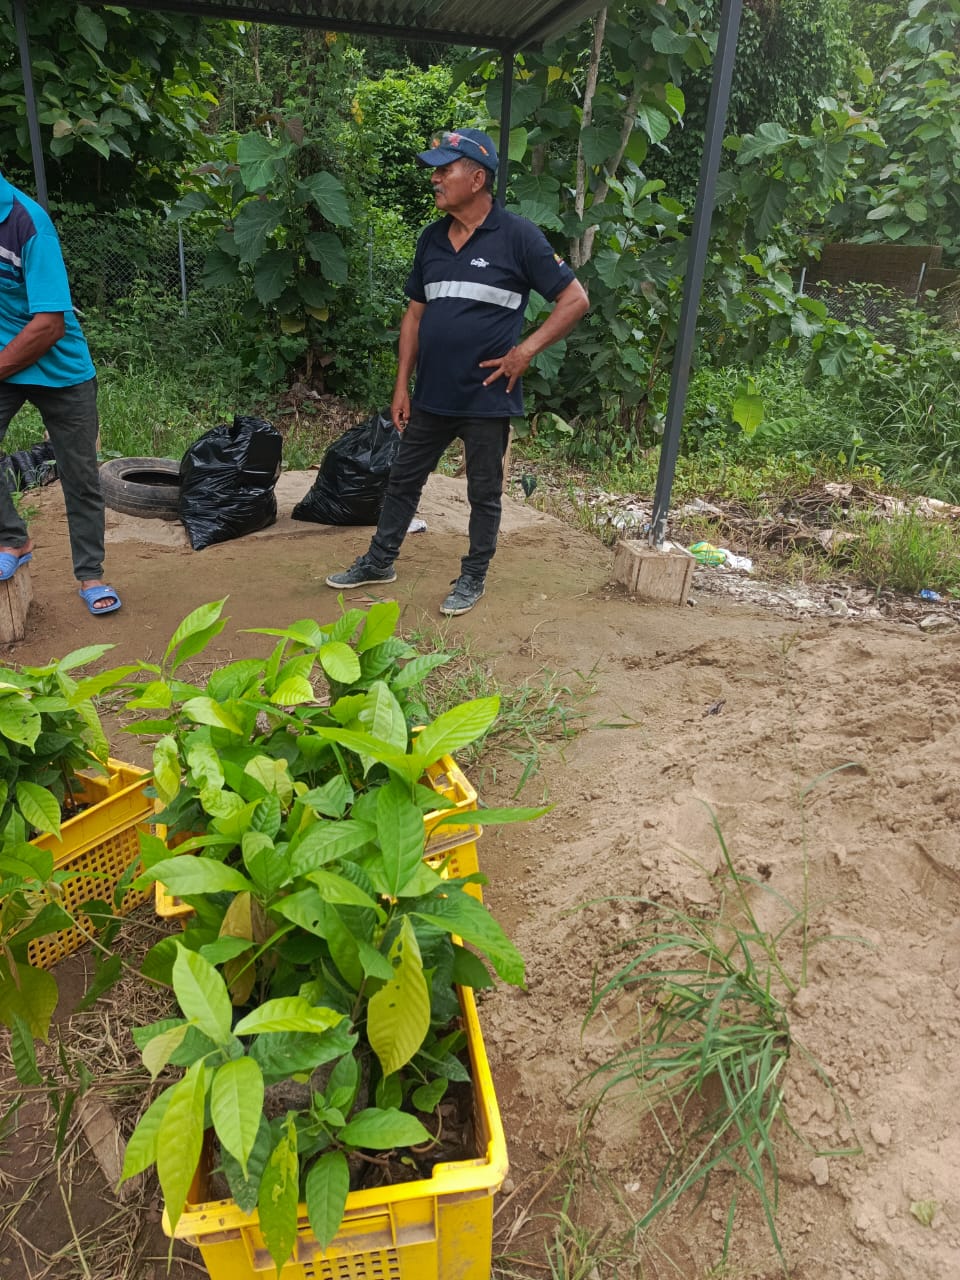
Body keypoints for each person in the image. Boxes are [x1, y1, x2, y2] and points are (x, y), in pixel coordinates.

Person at [326, 127, 589, 616]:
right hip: (431, 394)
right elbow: (414, 316)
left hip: (487, 394)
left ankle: (473, 576)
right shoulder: (431, 239)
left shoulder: (518, 237)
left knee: (483, 492)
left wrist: (525, 351)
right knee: (403, 479)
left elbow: (575, 299)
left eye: (444, 170)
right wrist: (401, 386)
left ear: (477, 178)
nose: (435, 179)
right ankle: (379, 561)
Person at [0, 170, 120, 615]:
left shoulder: (27, 222)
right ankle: (13, 539)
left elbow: (49, 325)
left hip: (61, 370)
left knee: (80, 475)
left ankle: (91, 575)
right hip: (7, 364)